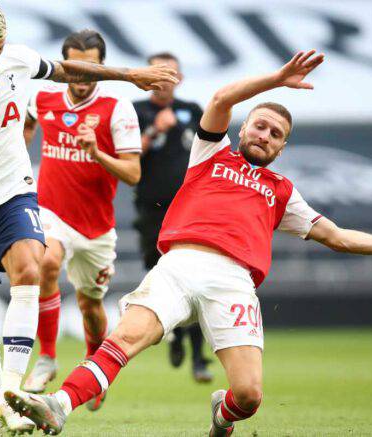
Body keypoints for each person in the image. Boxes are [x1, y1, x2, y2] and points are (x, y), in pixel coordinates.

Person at [2, 49, 372, 436]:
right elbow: (220, 99)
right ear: (243, 128)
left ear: (281, 149)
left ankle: (223, 414)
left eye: (275, 134)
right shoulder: (211, 153)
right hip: (179, 266)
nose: (264, 135)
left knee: (249, 395)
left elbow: (337, 236)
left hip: (234, 283)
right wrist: (277, 79)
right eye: (260, 126)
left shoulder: (282, 191)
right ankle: (59, 405)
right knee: (126, 339)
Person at [0, 2, 177, 436]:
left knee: (31, 268)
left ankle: (10, 396)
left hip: (13, 193)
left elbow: (68, 70)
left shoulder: (17, 59)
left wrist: (130, 75)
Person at [21, 30, 142, 413]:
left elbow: (133, 174)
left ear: (102, 67)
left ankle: (92, 365)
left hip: (96, 227)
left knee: (91, 306)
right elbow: (25, 125)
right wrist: (18, 154)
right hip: (50, 211)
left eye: (91, 67)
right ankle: (47, 356)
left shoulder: (117, 108)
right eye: (74, 66)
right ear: (63, 65)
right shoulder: (42, 96)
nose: (82, 75)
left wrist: (97, 152)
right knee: (46, 262)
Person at [132, 52, 212, 383]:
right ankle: (176, 334)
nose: (164, 79)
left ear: (180, 78)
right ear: (146, 76)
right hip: (151, 210)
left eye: (171, 73)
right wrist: (153, 131)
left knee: (195, 276)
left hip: (190, 209)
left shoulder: (193, 110)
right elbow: (126, 157)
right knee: (161, 275)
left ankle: (199, 357)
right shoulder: (135, 111)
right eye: (158, 72)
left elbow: (209, 151)